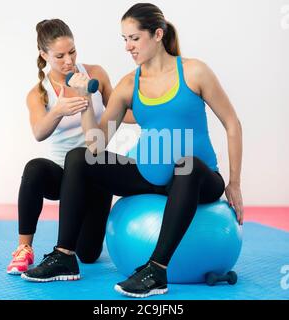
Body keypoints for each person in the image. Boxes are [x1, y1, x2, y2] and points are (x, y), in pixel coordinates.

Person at [21, 3, 244, 298]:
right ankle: (64, 256)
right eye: (124, 39)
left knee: (185, 164)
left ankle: (157, 270)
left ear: (157, 34)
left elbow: (232, 124)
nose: (128, 47)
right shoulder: (129, 84)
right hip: (150, 174)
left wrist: (235, 183)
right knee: (79, 158)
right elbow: (96, 145)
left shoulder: (194, 71)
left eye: (134, 38)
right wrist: (84, 99)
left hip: (197, 177)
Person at [7, 19, 135, 275]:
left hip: (94, 173)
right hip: (61, 174)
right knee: (34, 169)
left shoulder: (95, 74)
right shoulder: (38, 93)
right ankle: (24, 248)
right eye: (60, 55)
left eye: (72, 51)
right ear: (44, 55)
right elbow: (38, 132)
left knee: (88, 255)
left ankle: (73, 249)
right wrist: (58, 111)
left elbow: (119, 111)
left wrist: (155, 112)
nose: (69, 60)